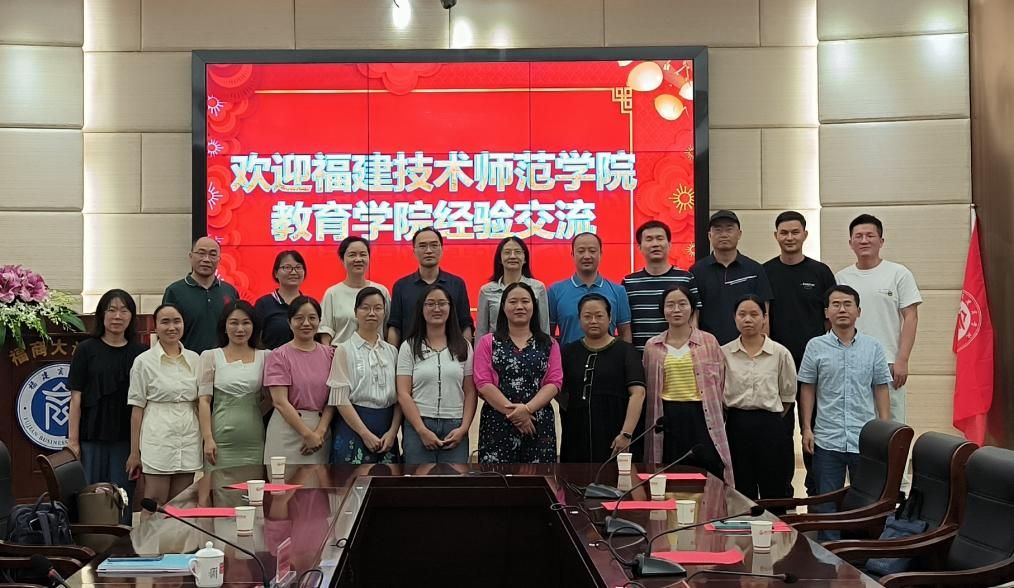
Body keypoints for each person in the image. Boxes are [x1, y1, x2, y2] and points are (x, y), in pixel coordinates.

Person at [798, 285, 891, 522]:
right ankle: (829, 546)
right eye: (836, 304)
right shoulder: (815, 346)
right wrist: (807, 428)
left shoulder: (873, 347)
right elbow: (808, 388)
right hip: (827, 439)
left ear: (858, 311)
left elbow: (881, 387)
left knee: (865, 506)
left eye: (848, 304)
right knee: (826, 506)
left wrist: (885, 430)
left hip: (864, 440)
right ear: (826, 312)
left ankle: (858, 546)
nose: (842, 309)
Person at [763, 211, 836, 495]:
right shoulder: (765, 272)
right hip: (777, 367)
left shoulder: (820, 272)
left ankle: (817, 493)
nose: (790, 237)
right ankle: (781, 496)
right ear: (776, 236)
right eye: (784, 232)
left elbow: (830, 318)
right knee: (779, 433)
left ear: (805, 234)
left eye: (795, 232)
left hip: (816, 366)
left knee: (815, 429)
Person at [66, 289, 146, 524]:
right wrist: (73, 442)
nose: (117, 316)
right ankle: (91, 544)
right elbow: (76, 397)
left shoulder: (141, 353)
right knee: (91, 497)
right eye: (111, 310)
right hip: (91, 436)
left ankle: (121, 544)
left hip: (125, 440)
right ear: (101, 314)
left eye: (124, 310)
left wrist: (137, 448)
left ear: (132, 316)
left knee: (122, 498)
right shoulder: (86, 349)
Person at [642, 286, 734, 486]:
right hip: (667, 418)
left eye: (682, 304)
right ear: (662, 310)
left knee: (708, 474)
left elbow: (722, 381)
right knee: (669, 476)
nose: (676, 309)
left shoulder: (709, 342)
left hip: (702, 416)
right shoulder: (652, 346)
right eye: (670, 305)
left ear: (692, 308)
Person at [834, 214, 921, 425]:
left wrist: (902, 360)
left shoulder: (899, 273)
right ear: (850, 243)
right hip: (850, 363)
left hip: (888, 363)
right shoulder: (841, 277)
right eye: (858, 236)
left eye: (870, 236)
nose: (864, 240)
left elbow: (911, 317)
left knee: (891, 425)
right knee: (856, 425)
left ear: (881, 241)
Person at [473, 282, 562, 463]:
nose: (519, 306)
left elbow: (554, 382)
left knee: (539, 478)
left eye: (525, 301)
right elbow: (483, 383)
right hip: (497, 423)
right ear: (503, 307)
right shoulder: (487, 342)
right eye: (513, 302)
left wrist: (527, 410)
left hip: (537, 422)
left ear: (534, 306)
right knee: (497, 478)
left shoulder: (549, 343)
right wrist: (517, 415)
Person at [721, 295, 797, 500]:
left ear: (765, 317)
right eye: (742, 314)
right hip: (736, 424)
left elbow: (788, 395)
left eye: (754, 314)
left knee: (774, 485)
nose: (748, 319)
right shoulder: (724, 353)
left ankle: (775, 522)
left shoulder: (780, 353)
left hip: (770, 425)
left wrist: (767, 417)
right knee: (741, 486)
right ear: (734, 318)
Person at [126, 304, 202, 505]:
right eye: (165, 322)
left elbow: (201, 403)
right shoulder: (144, 362)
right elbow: (137, 409)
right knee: (154, 502)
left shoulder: (195, 359)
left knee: (182, 503)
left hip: (188, 439)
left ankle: (177, 530)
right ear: (155, 326)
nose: (171, 327)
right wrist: (134, 452)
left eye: (177, 321)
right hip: (158, 439)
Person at [559, 294, 646, 463]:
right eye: (587, 316)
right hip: (576, 435)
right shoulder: (568, 352)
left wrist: (626, 433)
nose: (593, 321)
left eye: (599, 316)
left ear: (610, 318)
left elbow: (638, 393)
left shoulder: (626, 351)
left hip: (616, 433)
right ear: (579, 319)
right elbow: (555, 388)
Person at [398, 284, 478, 464]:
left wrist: (464, 428)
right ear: (421, 309)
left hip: (455, 426)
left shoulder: (464, 346)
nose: (436, 309)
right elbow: (403, 393)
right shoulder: (409, 346)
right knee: (418, 479)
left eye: (442, 303)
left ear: (450, 308)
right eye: (430, 304)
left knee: (453, 480)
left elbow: (470, 392)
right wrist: (421, 430)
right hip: (419, 425)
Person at [327, 287, 402, 464]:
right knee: (350, 480)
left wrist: (393, 432)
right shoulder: (344, 350)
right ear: (355, 312)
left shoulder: (392, 352)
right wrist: (364, 433)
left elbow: (400, 397)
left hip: (386, 433)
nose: (371, 313)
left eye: (378, 308)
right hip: (353, 428)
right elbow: (340, 398)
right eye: (365, 308)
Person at [263, 296, 336, 464]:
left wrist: (319, 433)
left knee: (318, 481)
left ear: (319, 321)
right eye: (299, 318)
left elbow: (333, 399)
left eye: (312, 318)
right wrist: (307, 434)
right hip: (286, 430)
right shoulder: (279, 356)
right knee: (282, 480)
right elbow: (280, 401)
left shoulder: (331, 355)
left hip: (320, 433)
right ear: (289, 322)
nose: (306, 323)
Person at [198, 300, 269, 471]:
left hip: (254, 439)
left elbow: (273, 398)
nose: (240, 329)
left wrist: (251, 411)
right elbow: (204, 401)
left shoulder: (266, 356)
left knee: (253, 485)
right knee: (219, 485)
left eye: (246, 323)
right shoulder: (210, 356)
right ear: (224, 326)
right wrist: (207, 438)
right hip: (219, 439)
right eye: (234, 323)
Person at [690, 210, 773, 345]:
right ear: (709, 235)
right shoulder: (697, 271)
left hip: (746, 348)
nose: (724, 234)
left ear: (739, 234)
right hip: (709, 347)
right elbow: (693, 315)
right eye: (718, 230)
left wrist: (761, 348)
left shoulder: (755, 269)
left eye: (729, 229)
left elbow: (764, 314)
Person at [388, 227, 473, 347]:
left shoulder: (457, 284)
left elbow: (465, 325)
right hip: (411, 355)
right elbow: (395, 327)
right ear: (414, 251)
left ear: (442, 249)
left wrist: (465, 354)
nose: (428, 251)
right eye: (422, 246)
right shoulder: (401, 286)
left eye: (434, 245)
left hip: (450, 355)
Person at [623, 220, 700, 352]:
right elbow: (626, 325)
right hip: (641, 355)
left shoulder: (686, 278)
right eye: (649, 239)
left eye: (660, 238)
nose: (655, 244)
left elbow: (694, 318)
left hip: (679, 355)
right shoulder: (629, 282)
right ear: (639, 247)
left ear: (669, 244)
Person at [548, 232, 632, 345]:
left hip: (608, 355)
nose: (587, 256)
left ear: (600, 254)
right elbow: (549, 334)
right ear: (572, 254)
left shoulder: (618, 291)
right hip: (568, 356)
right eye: (581, 251)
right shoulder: (555, 291)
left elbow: (625, 333)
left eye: (592, 251)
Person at [162, 236, 240, 354]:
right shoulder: (175, 291)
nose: (206, 259)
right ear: (191, 256)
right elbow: (166, 331)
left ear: (219, 259)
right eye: (201, 253)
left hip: (224, 360)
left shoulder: (230, 291)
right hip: (187, 360)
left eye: (212, 254)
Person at [319, 236, 390, 346]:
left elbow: (388, 328)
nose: (358, 259)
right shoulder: (332, 293)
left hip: (376, 353)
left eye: (363, 254)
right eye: (352, 255)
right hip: (340, 353)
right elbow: (325, 331)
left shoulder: (381, 291)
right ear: (342, 259)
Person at [475, 236, 549, 339]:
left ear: (525, 258)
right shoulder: (486, 290)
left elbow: (544, 328)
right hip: (495, 347)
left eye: (518, 252)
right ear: (500, 259)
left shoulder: (538, 288)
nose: (512, 256)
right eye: (507, 252)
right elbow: (481, 331)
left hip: (531, 347)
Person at [254, 250, 307, 349]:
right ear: (276, 273)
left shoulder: (309, 304)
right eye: (287, 267)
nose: (293, 272)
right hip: (272, 358)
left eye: (298, 267)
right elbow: (255, 340)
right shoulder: (264, 304)